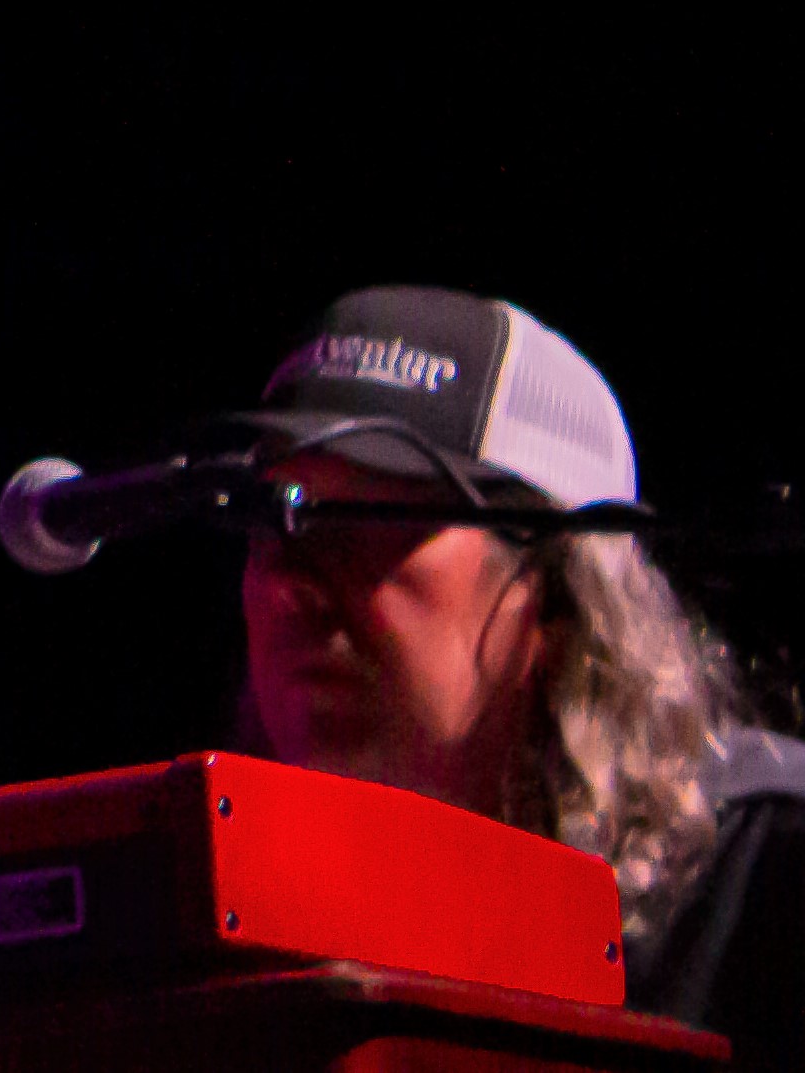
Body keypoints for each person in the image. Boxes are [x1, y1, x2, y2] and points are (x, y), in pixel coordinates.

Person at [209, 287, 798, 1058]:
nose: (289, 582)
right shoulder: (225, 911)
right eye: (272, 521)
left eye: (363, 525)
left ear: (556, 598)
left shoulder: (771, 877)